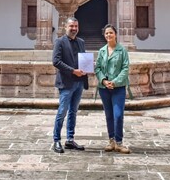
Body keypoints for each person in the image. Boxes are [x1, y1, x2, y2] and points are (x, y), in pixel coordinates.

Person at [51, 17, 89, 153]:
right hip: (66, 83)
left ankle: (70, 140)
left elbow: (83, 60)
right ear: (65, 27)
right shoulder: (59, 42)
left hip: (79, 82)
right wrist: (73, 71)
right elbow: (56, 61)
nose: (74, 29)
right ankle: (56, 140)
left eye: (76, 26)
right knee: (62, 112)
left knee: (73, 112)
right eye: (71, 26)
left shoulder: (81, 42)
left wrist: (89, 66)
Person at [94, 24, 131, 154]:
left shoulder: (122, 50)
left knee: (118, 115)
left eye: (111, 33)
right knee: (109, 115)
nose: (108, 35)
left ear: (115, 34)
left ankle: (119, 142)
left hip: (118, 87)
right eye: (106, 33)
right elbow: (97, 68)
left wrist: (114, 82)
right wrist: (104, 81)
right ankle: (111, 141)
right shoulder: (102, 51)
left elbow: (125, 68)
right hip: (104, 88)